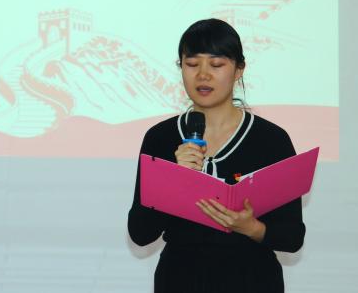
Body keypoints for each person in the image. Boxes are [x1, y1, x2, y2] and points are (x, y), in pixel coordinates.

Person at [127, 18, 305, 293]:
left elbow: (292, 237)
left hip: (253, 280)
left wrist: (251, 227)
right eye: (192, 64)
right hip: (179, 279)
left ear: (239, 70)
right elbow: (140, 233)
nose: (203, 75)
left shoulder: (271, 140)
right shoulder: (160, 138)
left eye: (217, 64)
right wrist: (172, 179)